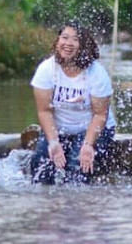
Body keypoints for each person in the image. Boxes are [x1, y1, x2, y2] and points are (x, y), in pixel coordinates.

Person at [30, 20, 116, 184]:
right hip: (60, 129)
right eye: (64, 37)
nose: (68, 43)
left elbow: (100, 115)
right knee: (40, 168)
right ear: (57, 41)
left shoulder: (96, 73)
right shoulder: (46, 69)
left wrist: (88, 144)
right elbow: (44, 111)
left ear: (84, 46)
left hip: (93, 129)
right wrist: (53, 142)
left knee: (77, 171)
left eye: (75, 39)